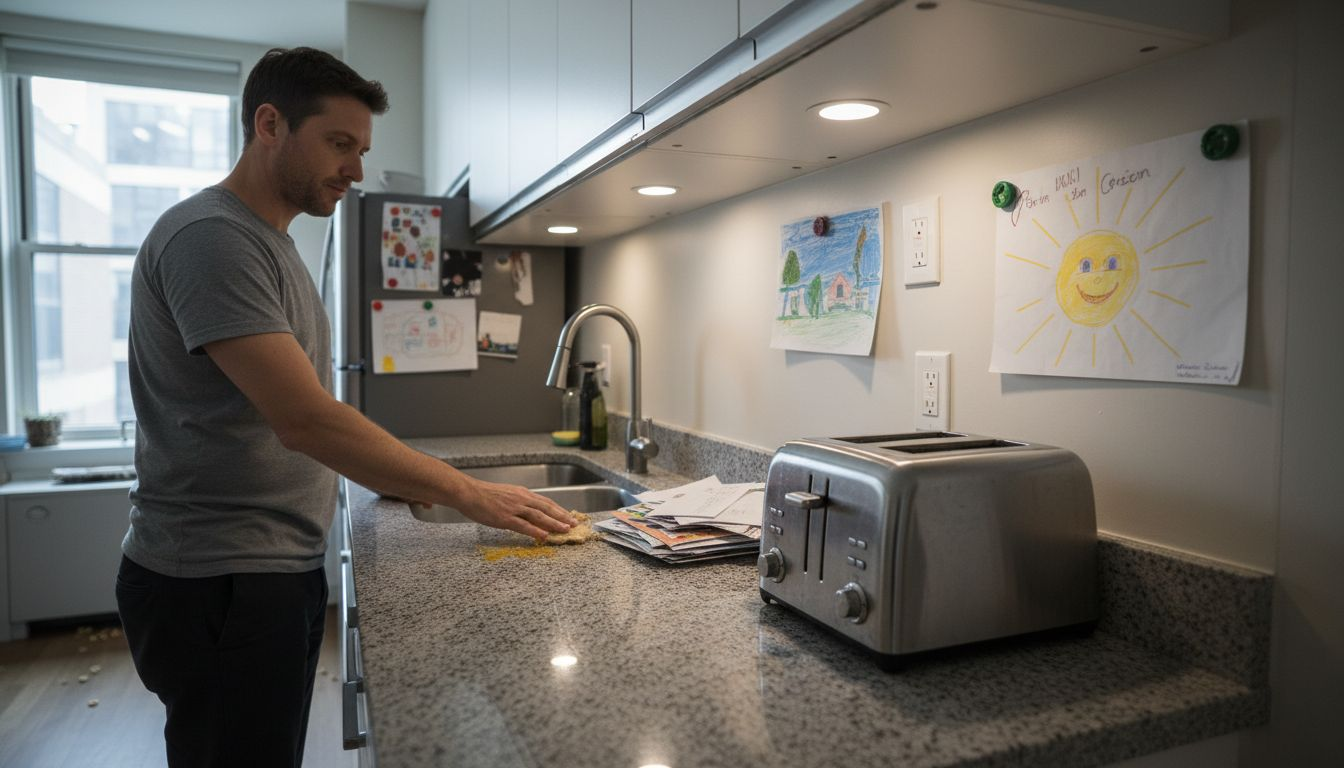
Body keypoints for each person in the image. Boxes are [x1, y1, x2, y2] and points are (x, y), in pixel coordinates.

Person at [114, 47, 576, 768]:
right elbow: (303, 419)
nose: (356, 171)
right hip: (218, 579)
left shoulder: (269, 243)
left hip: (261, 570)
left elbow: (302, 414)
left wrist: (400, 475)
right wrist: (467, 492)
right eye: (339, 144)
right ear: (270, 124)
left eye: (361, 150)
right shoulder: (212, 238)